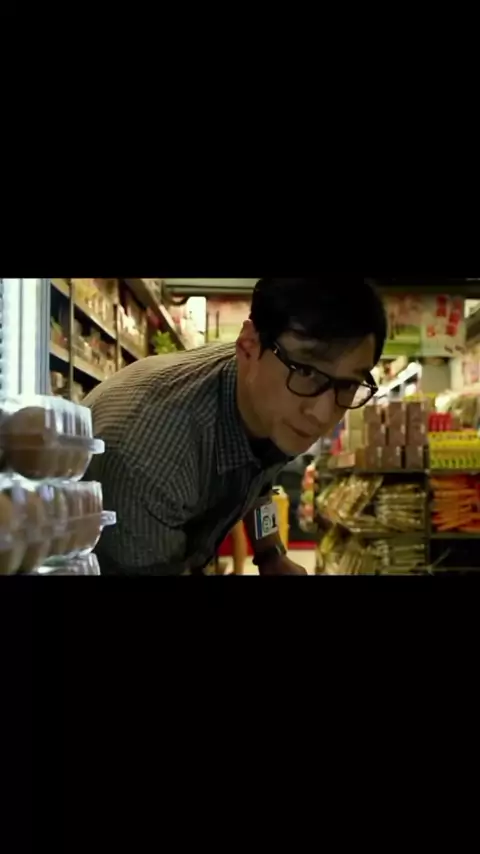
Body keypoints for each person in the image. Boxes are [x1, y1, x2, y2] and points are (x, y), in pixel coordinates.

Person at [84, 278, 387, 575]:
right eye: (306, 371)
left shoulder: (274, 402)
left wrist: (270, 554)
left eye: (348, 384)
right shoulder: (150, 456)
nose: (322, 414)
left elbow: (259, 482)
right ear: (249, 346)